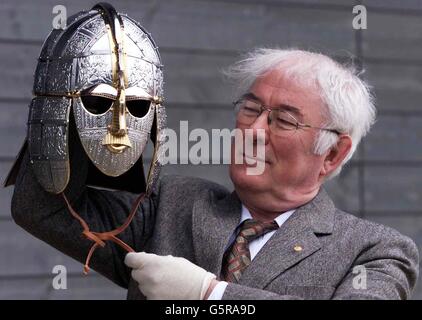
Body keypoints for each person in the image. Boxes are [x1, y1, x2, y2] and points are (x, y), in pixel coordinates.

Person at [11, 48, 419, 300]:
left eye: (284, 120)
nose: (254, 131)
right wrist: (73, 96)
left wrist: (209, 293)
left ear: (332, 153)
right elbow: (41, 207)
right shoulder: (172, 203)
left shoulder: (374, 250)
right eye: (251, 108)